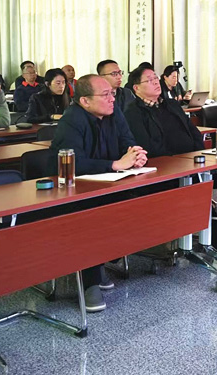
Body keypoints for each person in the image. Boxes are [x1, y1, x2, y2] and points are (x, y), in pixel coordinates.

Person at [123, 66, 217, 269]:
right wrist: (180, 161)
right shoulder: (133, 113)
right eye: (149, 80)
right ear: (136, 88)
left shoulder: (170, 104)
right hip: (164, 171)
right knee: (199, 190)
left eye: (155, 78)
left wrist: (199, 155)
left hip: (191, 161)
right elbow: (149, 147)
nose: (155, 82)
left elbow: (192, 131)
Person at [50, 74, 147, 311]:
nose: (112, 99)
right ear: (85, 101)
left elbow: (128, 141)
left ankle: (102, 259)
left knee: (139, 203)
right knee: (92, 214)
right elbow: (73, 161)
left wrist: (136, 156)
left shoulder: (115, 113)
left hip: (109, 182)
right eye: (105, 95)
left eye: (112, 94)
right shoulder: (71, 119)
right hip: (73, 189)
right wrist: (115, 164)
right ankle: (89, 280)